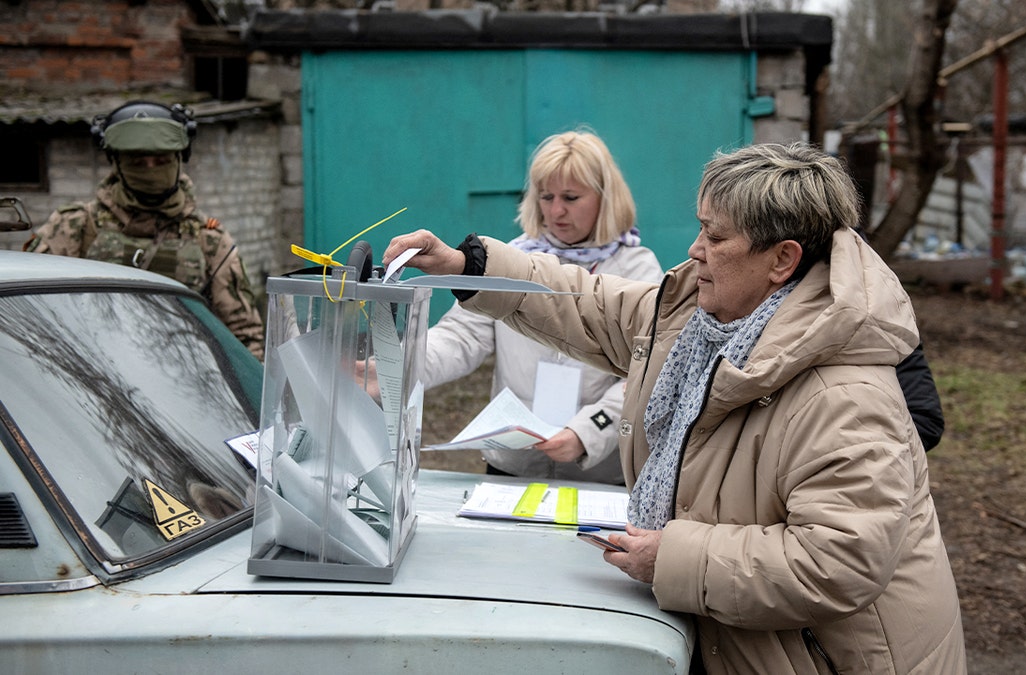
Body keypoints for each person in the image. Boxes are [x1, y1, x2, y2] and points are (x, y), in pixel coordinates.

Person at [383, 141, 967, 674]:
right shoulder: (702, 321)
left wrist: (674, 556)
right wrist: (467, 266)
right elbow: (588, 303)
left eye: (715, 238)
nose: (694, 250)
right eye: (700, 230)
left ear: (782, 261)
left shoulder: (845, 397)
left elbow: (836, 562)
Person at [422, 130, 663, 484]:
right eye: (546, 196)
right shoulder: (511, 260)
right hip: (513, 464)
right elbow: (459, 336)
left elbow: (646, 372)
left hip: (597, 471)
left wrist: (586, 433)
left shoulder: (638, 269)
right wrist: (395, 366)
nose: (556, 210)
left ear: (605, 197)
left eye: (571, 197)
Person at [24, 100, 264, 358]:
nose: (150, 170)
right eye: (138, 163)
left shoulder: (209, 239)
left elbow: (245, 338)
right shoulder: (74, 227)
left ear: (179, 159)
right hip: (92, 375)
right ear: (116, 162)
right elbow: (33, 316)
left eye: (161, 161)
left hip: (188, 380)